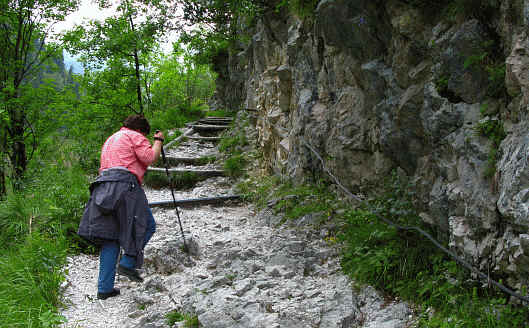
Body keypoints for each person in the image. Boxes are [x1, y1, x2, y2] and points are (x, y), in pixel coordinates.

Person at [78, 114, 164, 300]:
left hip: (102, 186)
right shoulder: (135, 136)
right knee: (147, 225)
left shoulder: (111, 139)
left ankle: (104, 289)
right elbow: (149, 158)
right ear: (141, 130)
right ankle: (128, 261)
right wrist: (158, 141)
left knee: (111, 237)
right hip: (124, 185)